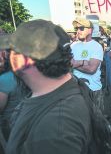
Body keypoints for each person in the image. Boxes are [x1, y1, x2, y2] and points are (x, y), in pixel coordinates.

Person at [0, 20, 94, 154]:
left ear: (25, 61)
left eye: (12, 51)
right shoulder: (65, 88)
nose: (7, 56)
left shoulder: (53, 131)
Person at [71, 17, 104, 111]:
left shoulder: (96, 46)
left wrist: (74, 63)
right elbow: (67, 63)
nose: (78, 31)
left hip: (92, 90)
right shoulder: (73, 45)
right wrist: (83, 62)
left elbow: (91, 69)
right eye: (77, 28)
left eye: (81, 28)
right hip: (75, 90)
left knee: (96, 122)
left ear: (90, 30)